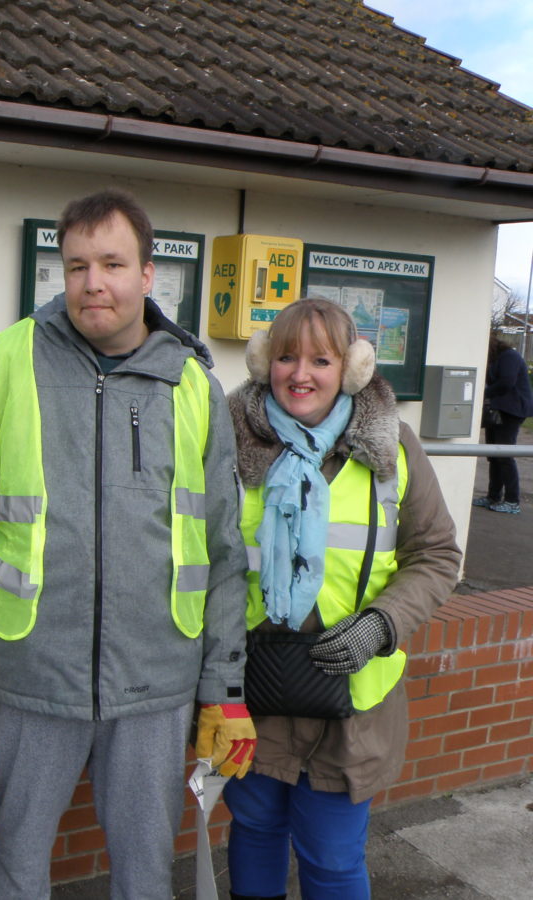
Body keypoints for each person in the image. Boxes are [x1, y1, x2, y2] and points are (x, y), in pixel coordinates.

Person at [0, 188, 255, 899]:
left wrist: (223, 689)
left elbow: (224, 550)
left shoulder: (193, 385)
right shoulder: (2, 365)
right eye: (75, 266)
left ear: (146, 275)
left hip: (155, 680)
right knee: (15, 864)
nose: (92, 282)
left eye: (111, 263)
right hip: (29, 671)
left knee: (144, 874)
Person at [223, 298, 461, 900]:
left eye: (320, 360)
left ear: (351, 368)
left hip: (354, 703)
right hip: (253, 691)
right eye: (285, 357)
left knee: (330, 858)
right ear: (263, 362)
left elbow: (436, 556)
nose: (299, 374)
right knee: (253, 833)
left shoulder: (394, 448)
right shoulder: (225, 442)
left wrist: (379, 625)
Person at [474, 331, 533, 514]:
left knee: (505, 454)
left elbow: (507, 382)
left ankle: (512, 500)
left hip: (511, 410)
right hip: (499, 409)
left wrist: (484, 394)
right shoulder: (496, 359)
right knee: (493, 454)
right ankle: (493, 496)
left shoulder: (509, 357)